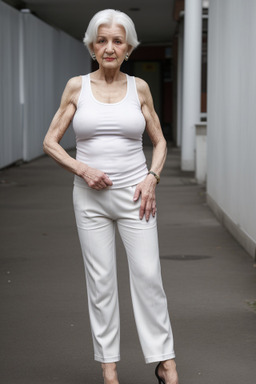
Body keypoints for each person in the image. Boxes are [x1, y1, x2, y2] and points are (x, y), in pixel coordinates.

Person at [43, 9, 179, 384]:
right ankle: (109, 368)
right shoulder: (77, 87)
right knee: (101, 282)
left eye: (117, 41)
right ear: (92, 45)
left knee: (149, 276)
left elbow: (160, 140)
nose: (109, 47)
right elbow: (50, 141)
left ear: (128, 48)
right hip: (89, 201)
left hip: (137, 196)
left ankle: (164, 361)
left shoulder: (139, 89)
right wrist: (82, 169)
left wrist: (152, 177)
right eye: (102, 40)